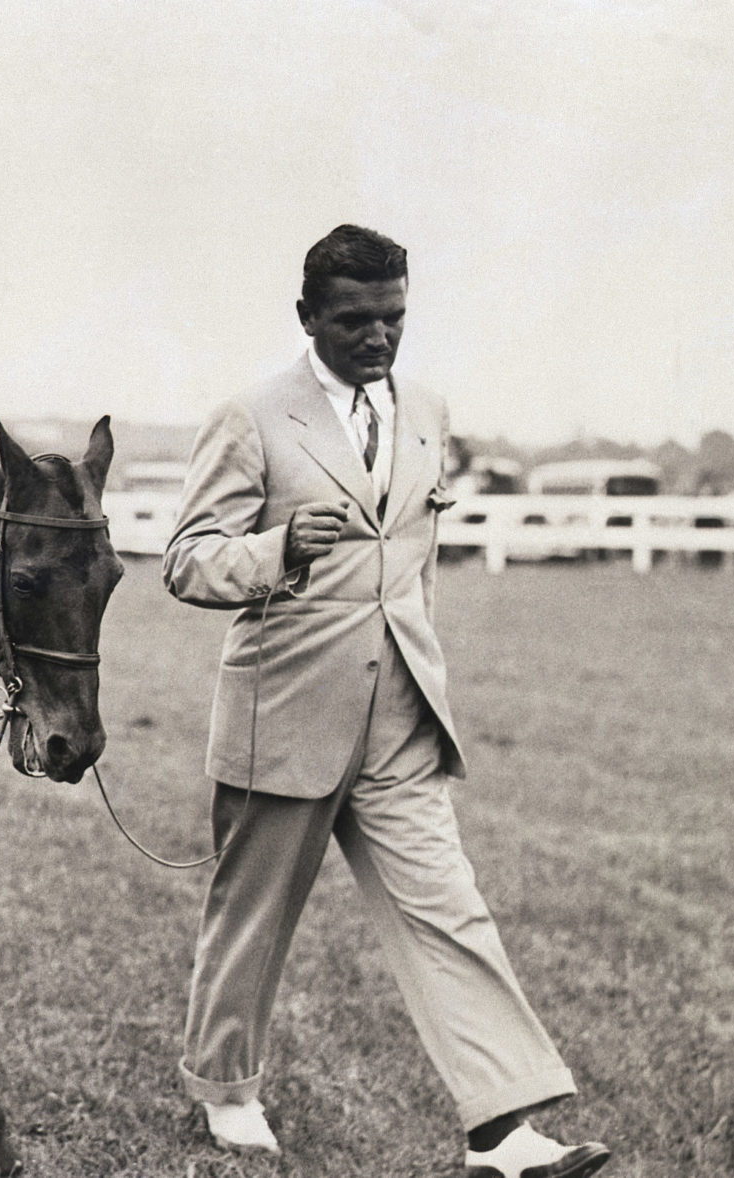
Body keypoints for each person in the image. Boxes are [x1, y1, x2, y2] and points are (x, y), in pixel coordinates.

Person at [162, 224, 610, 1177]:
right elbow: (187, 562)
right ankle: (226, 1091)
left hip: (402, 713)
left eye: (394, 317)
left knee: (450, 910)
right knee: (252, 917)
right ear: (307, 317)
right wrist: (279, 547)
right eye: (355, 320)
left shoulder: (428, 410)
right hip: (284, 713)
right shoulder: (250, 417)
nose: (378, 338)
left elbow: (415, 562)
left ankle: (502, 1133)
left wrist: (421, 666)